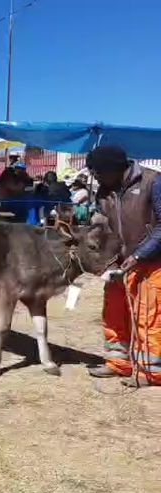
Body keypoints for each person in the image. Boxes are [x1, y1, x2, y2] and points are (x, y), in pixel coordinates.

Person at [86, 146, 161, 386]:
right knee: (114, 313)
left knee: (148, 316)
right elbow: (104, 225)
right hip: (118, 263)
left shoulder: (153, 182)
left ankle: (150, 372)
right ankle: (119, 363)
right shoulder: (104, 192)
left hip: (151, 261)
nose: (95, 177)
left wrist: (139, 255)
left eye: (98, 172)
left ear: (114, 168)